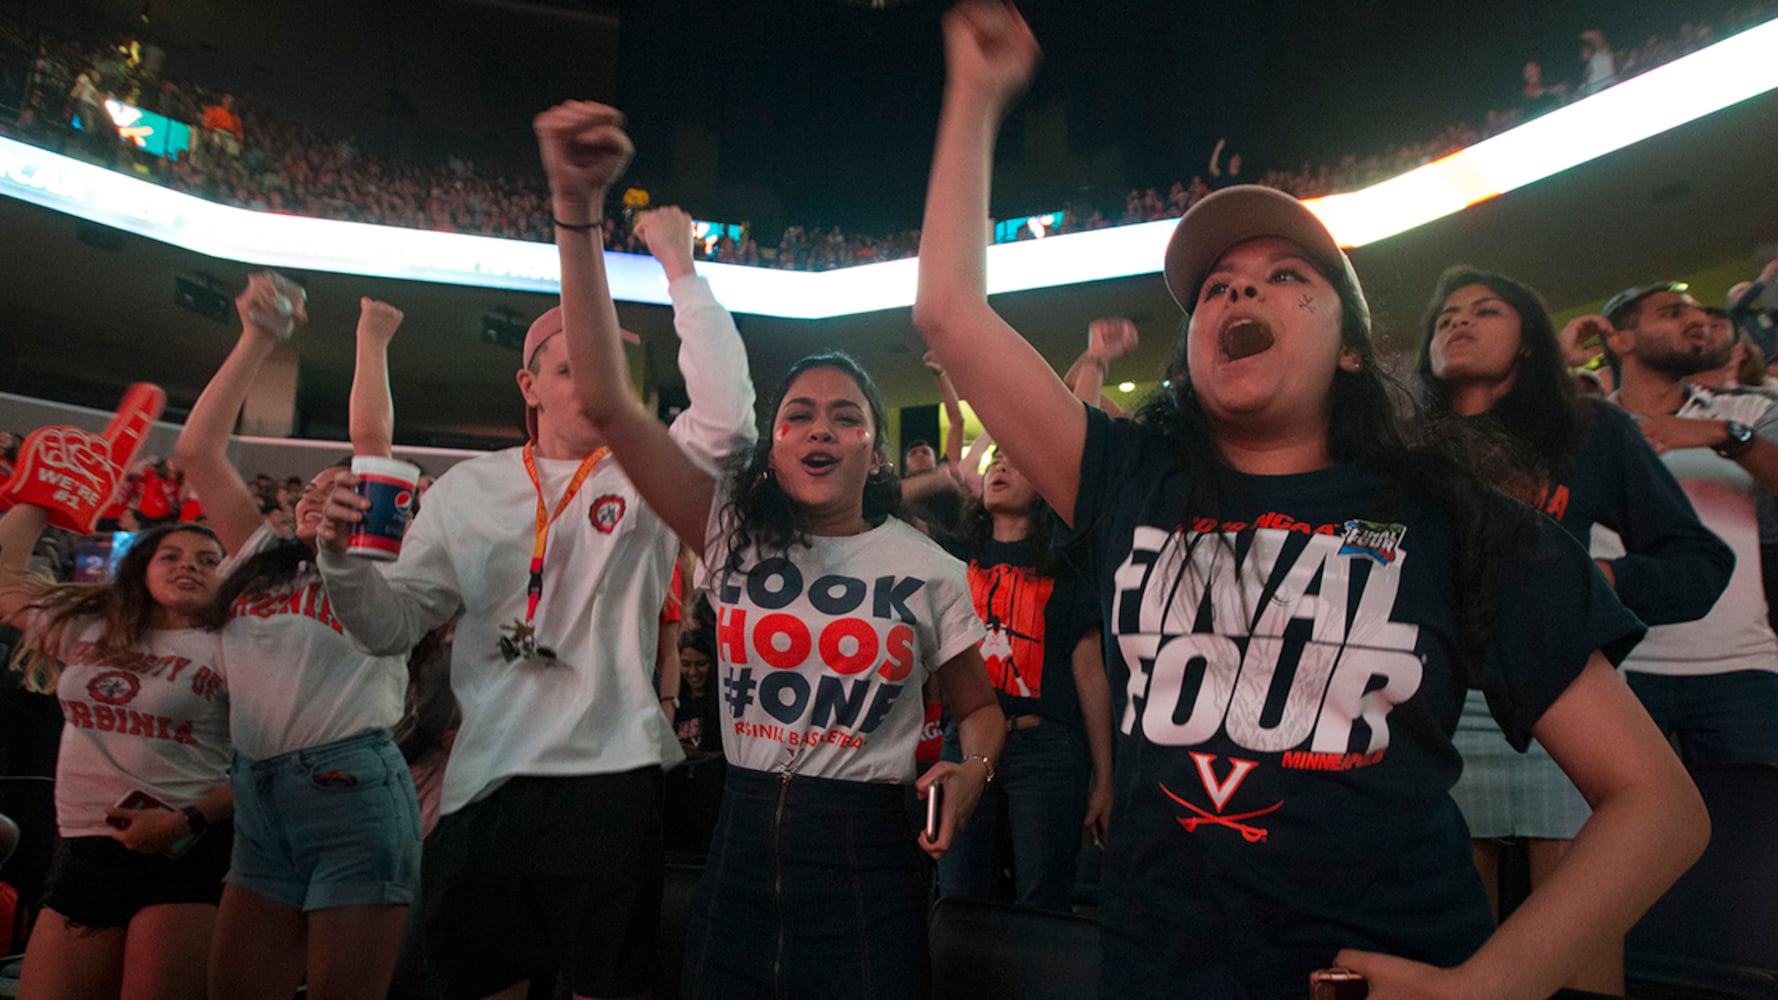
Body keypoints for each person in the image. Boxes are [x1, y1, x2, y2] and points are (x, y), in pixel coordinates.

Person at [912, 5, 1707, 997]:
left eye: (1284, 277)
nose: (1237, 295)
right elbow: (949, 311)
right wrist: (976, 98)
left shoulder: (1455, 519)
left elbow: (1655, 804)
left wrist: (1487, 984)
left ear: (1345, 347)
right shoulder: (1125, 479)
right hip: (1154, 973)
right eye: (1213, 288)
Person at [528, 100, 1003, 998]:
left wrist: (970, 771)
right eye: (798, 415)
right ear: (772, 446)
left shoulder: (930, 568)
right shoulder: (727, 534)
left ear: (874, 449)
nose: (820, 430)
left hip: (871, 862)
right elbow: (605, 401)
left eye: (845, 416)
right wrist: (576, 209)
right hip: (739, 851)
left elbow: (980, 712)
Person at [313, 131, 758, 999]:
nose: (594, 382)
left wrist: (681, 271)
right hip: (488, 783)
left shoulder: (646, 470)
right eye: (569, 367)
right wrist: (338, 559)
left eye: (612, 369)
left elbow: (730, 419)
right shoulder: (469, 489)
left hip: (611, 778)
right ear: (528, 386)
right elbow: (388, 628)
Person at [1416, 266, 1732, 994]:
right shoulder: (1404, 449)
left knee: (1579, 956)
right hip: (1435, 703)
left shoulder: (1590, 430)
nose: (1458, 322)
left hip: (1563, 699)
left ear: (1528, 341)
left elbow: (1698, 562)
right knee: (1460, 955)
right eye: (1445, 317)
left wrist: (1602, 582)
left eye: (1485, 310)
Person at [176, 283, 421, 1000]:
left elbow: (372, 444)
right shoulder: (255, 560)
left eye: (342, 486)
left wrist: (371, 340)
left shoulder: (384, 566)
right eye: (311, 487)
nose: (320, 492)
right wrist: (257, 339)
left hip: (350, 790)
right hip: (257, 792)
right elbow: (195, 451)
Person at [2, 507, 232, 1000]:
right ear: (141, 567)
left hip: (185, 851)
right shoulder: (91, 627)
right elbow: (3, 586)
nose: (187, 565)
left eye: (207, 560)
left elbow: (264, 768)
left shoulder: (234, 647)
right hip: (87, 850)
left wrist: (185, 821)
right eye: (170, 555)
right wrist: (39, 501)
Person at [1594, 281, 1778, 770]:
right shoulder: (1583, 426)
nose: (1694, 319)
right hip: (1617, 665)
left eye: (1697, 311)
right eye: (1672, 312)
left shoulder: (1747, 412)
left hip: (1740, 666)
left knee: (1754, 841)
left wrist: (1723, 436)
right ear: (1621, 339)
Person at [934, 449, 1113, 911]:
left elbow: (1090, 674)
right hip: (965, 743)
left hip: (1046, 749)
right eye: (995, 461)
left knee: (1042, 901)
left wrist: (1105, 778)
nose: (1001, 467)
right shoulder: (957, 557)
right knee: (958, 895)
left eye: (1017, 462)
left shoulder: (1066, 566)